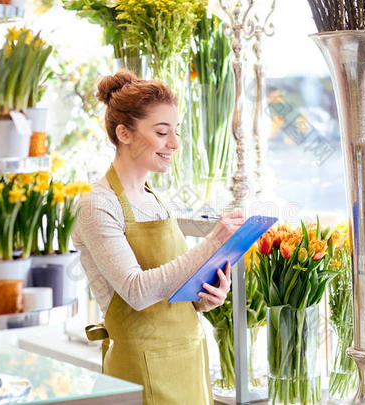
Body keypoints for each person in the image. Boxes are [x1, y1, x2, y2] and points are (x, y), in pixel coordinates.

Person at [72, 71, 245, 405]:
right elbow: (137, 291)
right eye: (162, 132)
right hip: (139, 370)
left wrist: (205, 296)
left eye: (175, 132)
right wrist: (211, 242)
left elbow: (172, 286)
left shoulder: (157, 199)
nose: (175, 144)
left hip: (189, 362)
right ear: (124, 133)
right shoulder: (97, 204)